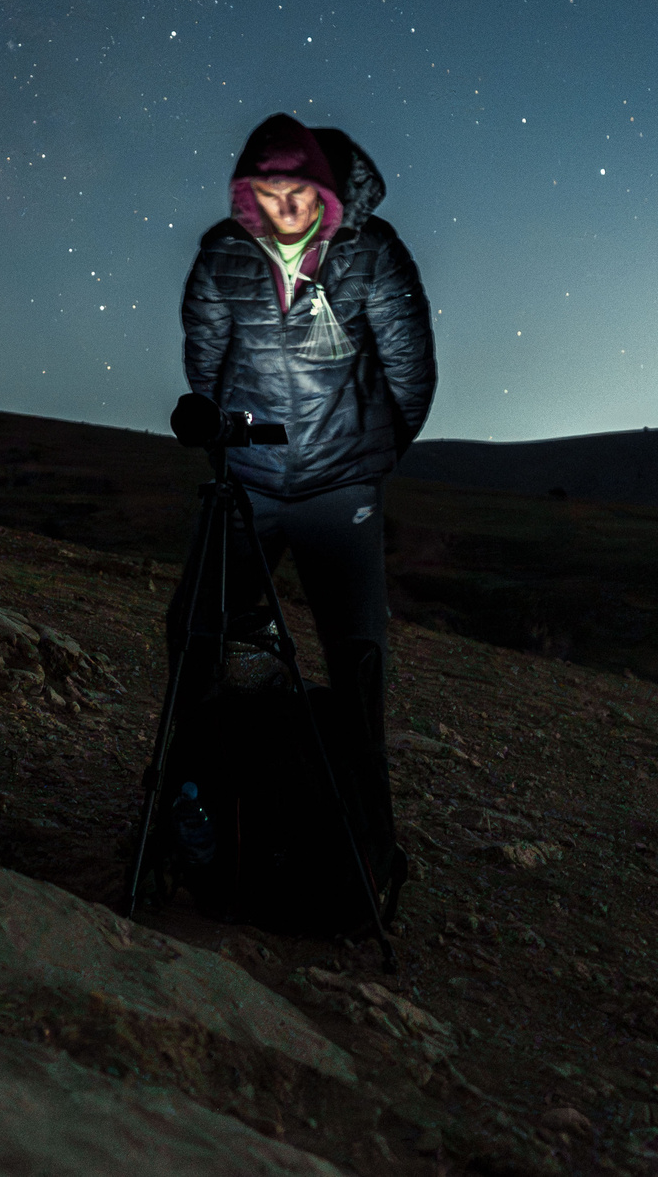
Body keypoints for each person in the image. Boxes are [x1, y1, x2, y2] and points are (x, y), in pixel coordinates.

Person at [173, 113, 436, 808]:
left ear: (325, 192)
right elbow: (205, 360)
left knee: (356, 655)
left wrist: (363, 456)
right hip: (249, 484)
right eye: (268, 193)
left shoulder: (374, 254)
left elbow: (411, 374)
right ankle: (191, 792)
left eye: (298, 194)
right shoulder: (223, 257)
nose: (283, 209)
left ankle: (362, 828)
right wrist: (229, 439)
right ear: (246, 193)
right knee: (198, 632)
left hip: (339, 490)